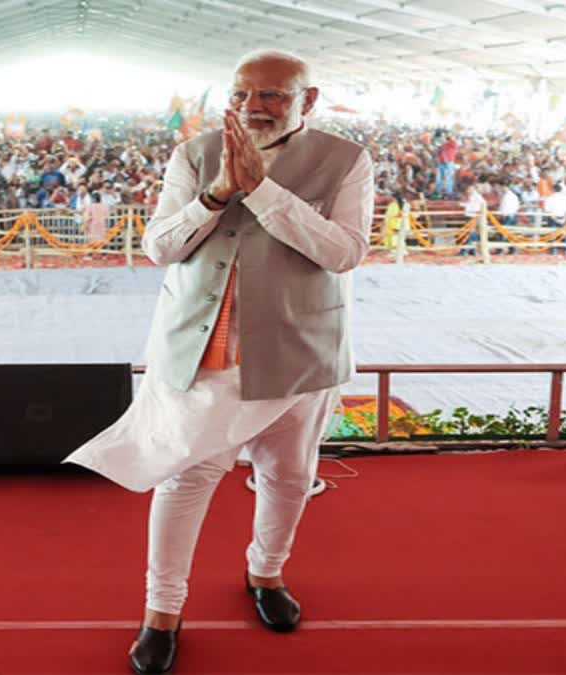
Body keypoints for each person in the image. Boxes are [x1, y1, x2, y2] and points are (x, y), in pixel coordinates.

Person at [64, 51, 373, 675]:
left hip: (298, 356)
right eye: (242, 94)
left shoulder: (347, 160)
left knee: (288, 477)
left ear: (307, 101)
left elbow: (344, 253)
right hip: (204, 354)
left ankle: (266, 573)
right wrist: (217, 194)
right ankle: (162, 611)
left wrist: (263, 191)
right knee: (185, 480)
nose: (253, 107)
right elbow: (159, 247)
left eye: (273, 96)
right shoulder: (196, 154)